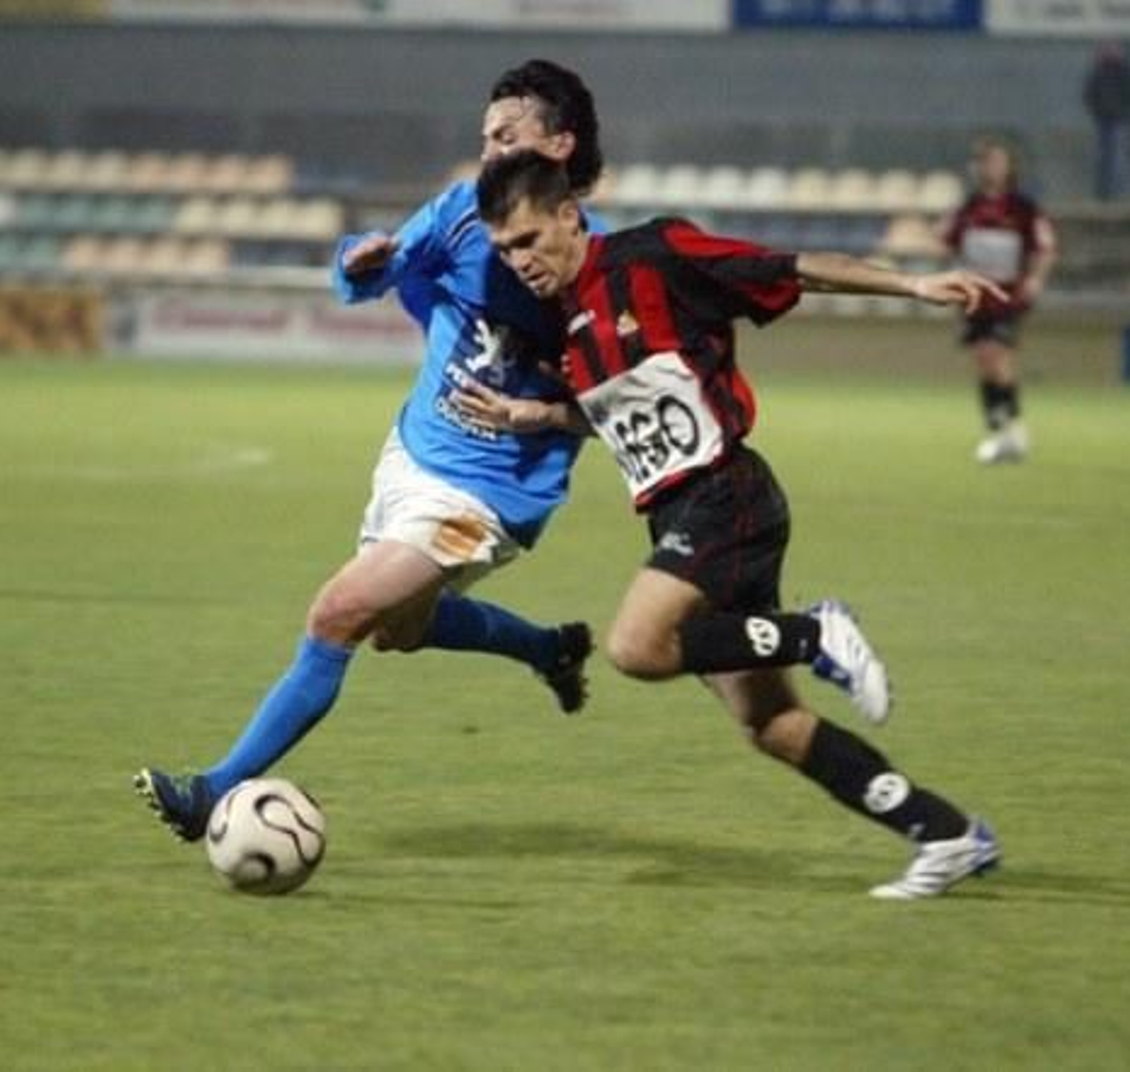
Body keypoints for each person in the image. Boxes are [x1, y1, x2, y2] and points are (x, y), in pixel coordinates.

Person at [455, 149, 1006, 899]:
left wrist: (912, 283)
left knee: (637, 647)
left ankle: (816, 632)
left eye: (527, 239)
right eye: (504, 250)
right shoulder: (564, 326)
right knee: (771, 725)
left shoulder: (653, 256)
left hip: (727, 496)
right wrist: (540, 414)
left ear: (566, 215)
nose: (519, 260)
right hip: (679, 519)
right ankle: (944, 833)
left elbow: (789, 265)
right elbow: (620, 411)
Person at [134, 60, 604, 842]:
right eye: (484, 135)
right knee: (400, 630)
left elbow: (621, 406)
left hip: (485, 498)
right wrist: (358, 261)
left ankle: (213, 791)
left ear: (559, 144)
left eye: (507, 135)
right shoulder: (461, 213)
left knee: (339, 612)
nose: (488, 149)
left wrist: (542, 411)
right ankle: (549, 648)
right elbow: (374, 263)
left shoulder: (601, 270)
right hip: (413, 456)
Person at [941, 137, 1057, 465]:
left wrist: (1035, 279)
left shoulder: (1023, 208)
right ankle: (997, 426)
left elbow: (1045, 247)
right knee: (983, 358)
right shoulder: (969, 207)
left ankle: (1013, 429)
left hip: (1007, 294)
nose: (990, 168)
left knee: (996, 355)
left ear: (1008, 167)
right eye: (985, 162)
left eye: (997, 161)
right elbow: (948, 242)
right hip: (975, 293)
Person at [1082, 41, 1130, 201]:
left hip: (1122, 122)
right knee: (1106, 159)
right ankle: (1106, 193)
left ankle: (1122, 193)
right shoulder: (1099, 73)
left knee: (1121, 158)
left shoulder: (1129, 73)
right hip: (1104, 122)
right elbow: (1090, 95)